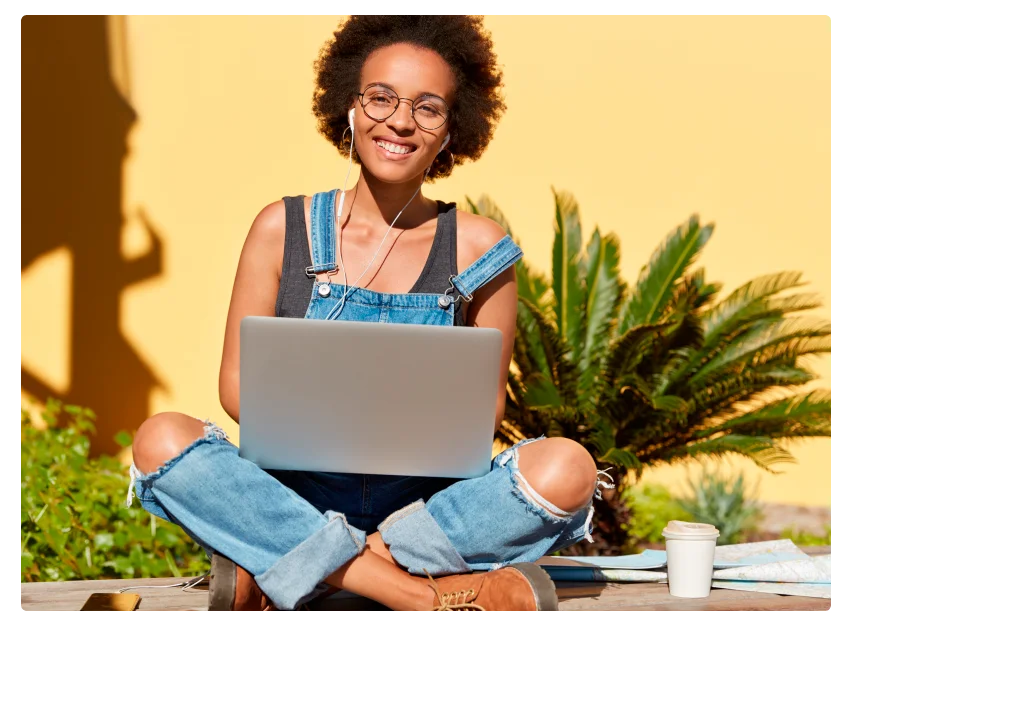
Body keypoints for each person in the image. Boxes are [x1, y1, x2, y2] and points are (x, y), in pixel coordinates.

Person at [126, 14, 603, 613]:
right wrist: (338, 425)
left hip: (430, 515)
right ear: (349, 107)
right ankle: (420, 595)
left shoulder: (480, 247)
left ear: (452, 130)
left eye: (428, 108)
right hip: (291, 497)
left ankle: (296, 570)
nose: (400, 121)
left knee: (568, 468)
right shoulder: (281, 228)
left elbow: (485, 410)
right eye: (380, 98)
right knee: (161, 439)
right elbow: (237, 387)